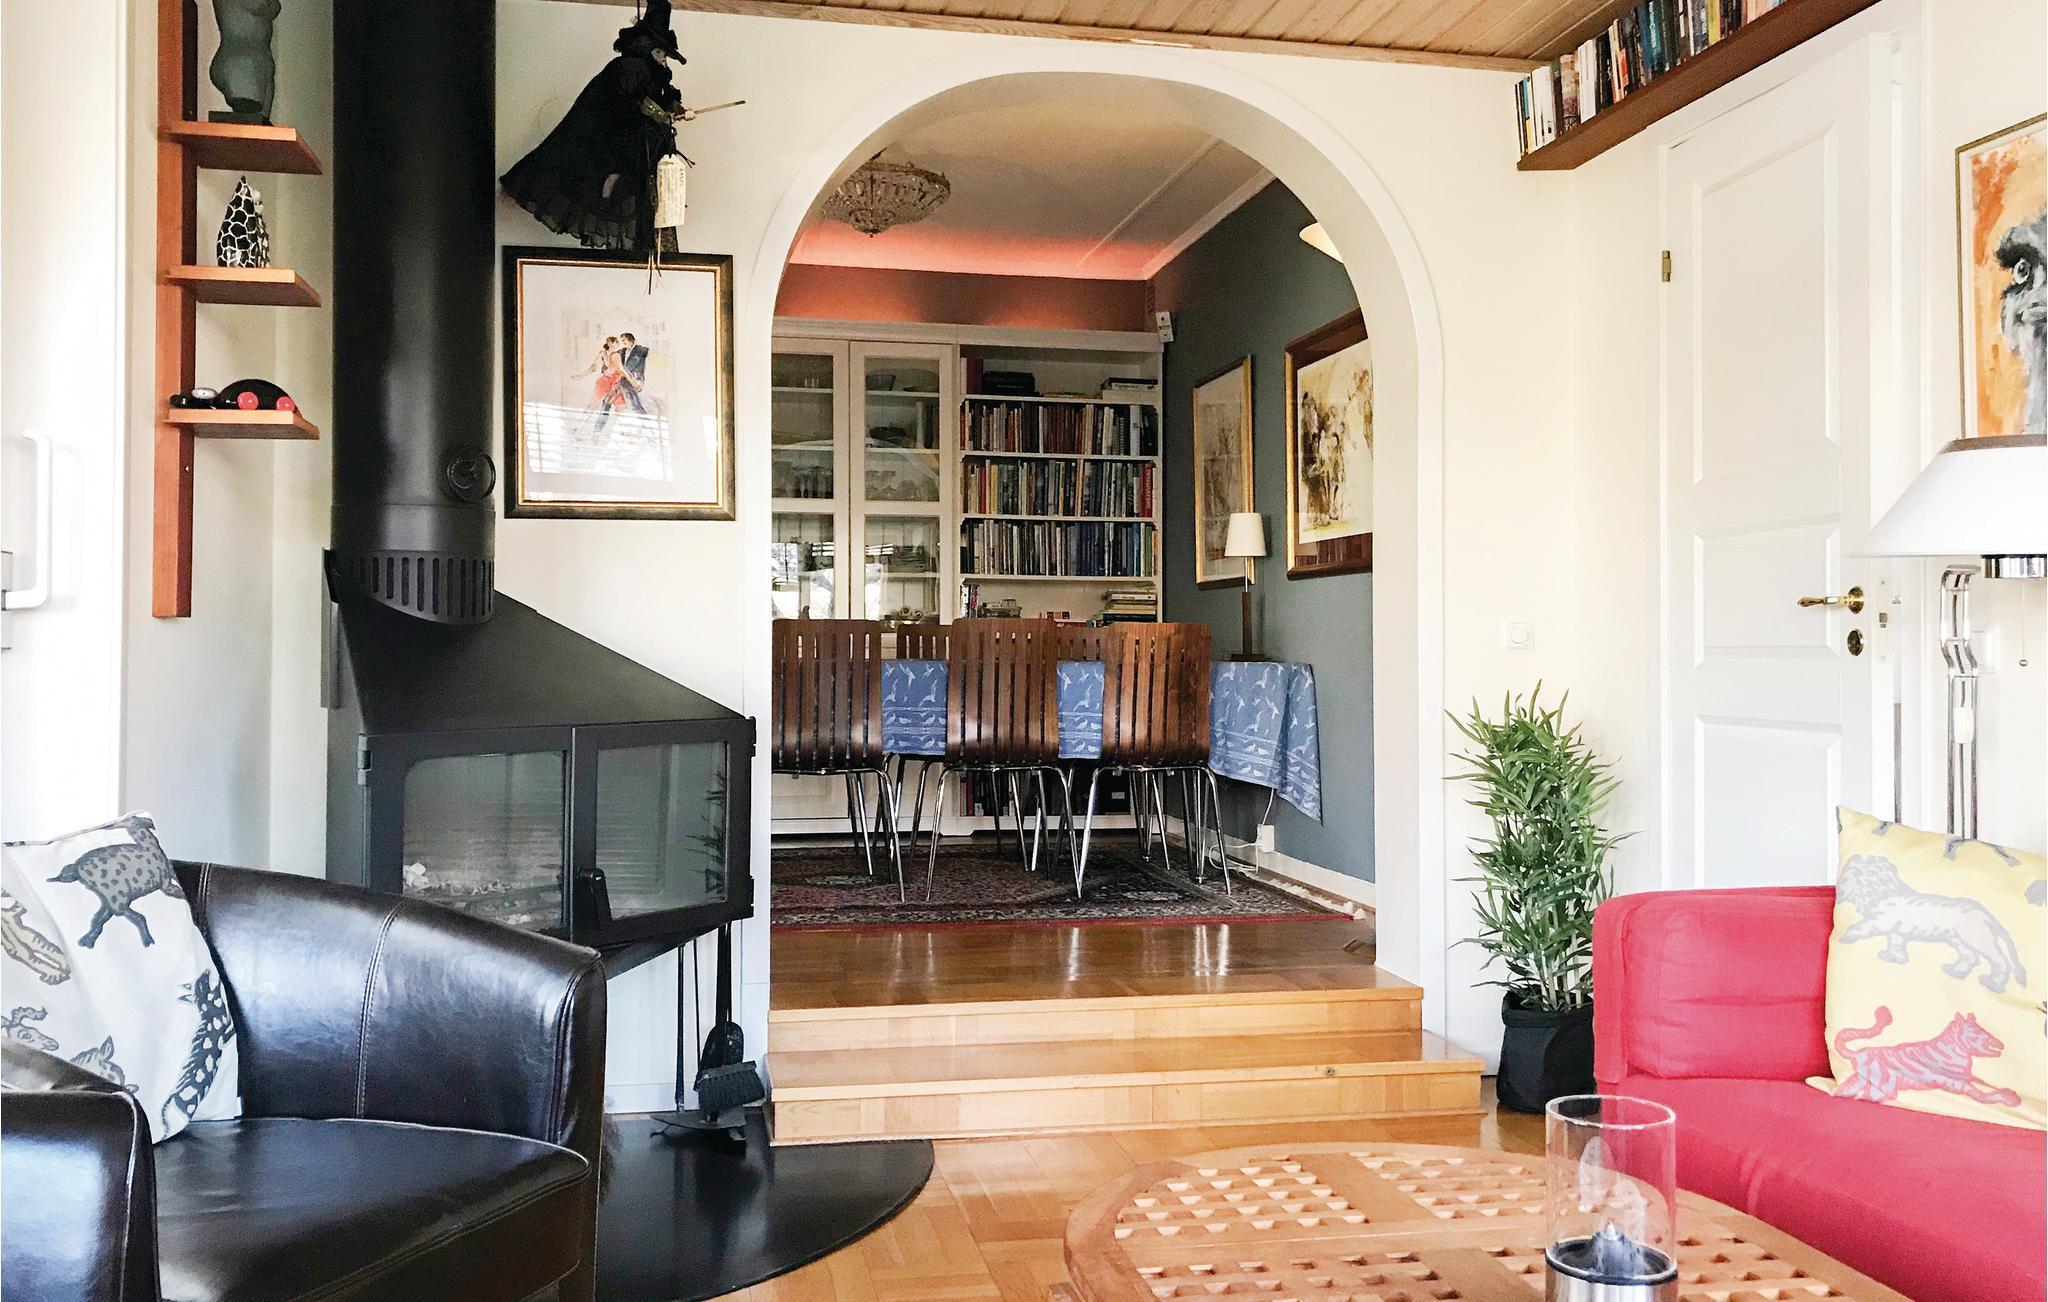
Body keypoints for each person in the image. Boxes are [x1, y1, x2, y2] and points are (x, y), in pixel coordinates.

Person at [499, 0, 685, 251]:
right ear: (649, 47)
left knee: (643, 199)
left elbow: (654, 102)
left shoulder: (650, 73)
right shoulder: (631, 67)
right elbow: (629, 105)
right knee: (623, 186)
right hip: (618, 143)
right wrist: (659, 114)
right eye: (661, 52)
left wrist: (672, 110)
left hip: (639, 148)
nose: (664, 59)